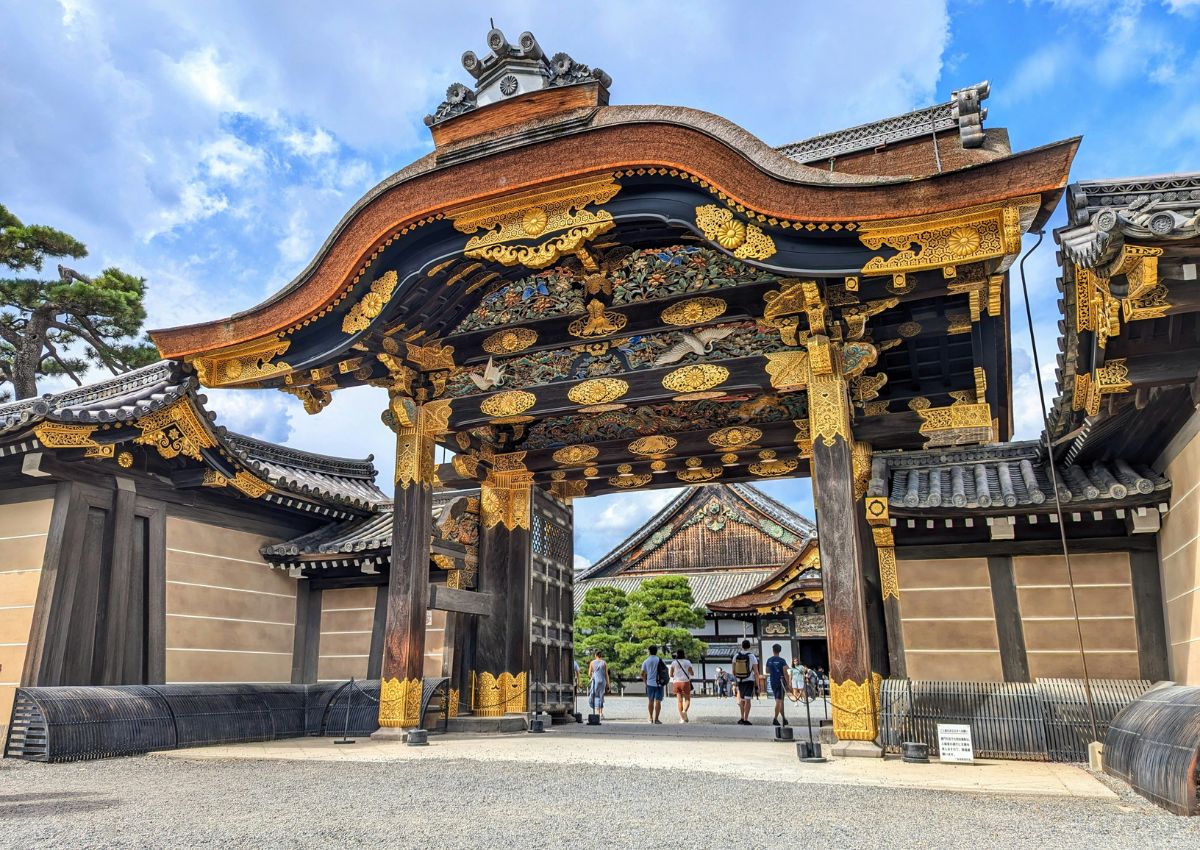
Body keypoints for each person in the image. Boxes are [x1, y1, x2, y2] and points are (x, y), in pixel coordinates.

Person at [731, 639, 762, 726]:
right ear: (749, 646)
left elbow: (733, 671)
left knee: (742, 700)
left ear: (742, 646)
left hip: (740, 680)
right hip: (749, 680)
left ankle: (741, 717)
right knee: (748, 700)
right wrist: (757, 685)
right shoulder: (752, 656)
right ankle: (746, 719)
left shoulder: (736, 656)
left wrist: (737, 678)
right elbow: (756, 672)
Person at [640, 645, 667, 724]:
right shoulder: (660, 660)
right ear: (656, 651)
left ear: (649, 651)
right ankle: (657, 719)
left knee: (650, 701)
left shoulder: (646, 661)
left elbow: (642, 674)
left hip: (650, 684)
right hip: (659, 683)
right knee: (658, 701)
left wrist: (645, 682)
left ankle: (650, 718)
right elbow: (665, 671)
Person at [764, 644, 789, 727]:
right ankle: (775, 718)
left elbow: (767, 671)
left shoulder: (769, 660)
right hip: (780, 681)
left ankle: (784, 718)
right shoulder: (782, 661)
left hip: (772, 681)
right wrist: (788, 683)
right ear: (780, 650)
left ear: (773, 650)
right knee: (779, 700)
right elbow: (785, 672)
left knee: (780, 701)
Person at [669, 648, 695, 723]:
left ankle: (682, 718)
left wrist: (676, 675)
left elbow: (671, 674)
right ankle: (684, 711)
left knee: (679, 701)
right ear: (684, 654)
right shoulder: (687, 662)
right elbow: (692, 673)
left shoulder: (674, 662)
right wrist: (689, 673)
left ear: (677, 654)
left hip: (676, 682)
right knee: (687, 699)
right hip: (685, 682)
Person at [587, 650, 608, 718]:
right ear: (600, 655)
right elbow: (606, 674)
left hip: (596, 681)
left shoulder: (592, 662)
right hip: (603, 681)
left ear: (595, 655)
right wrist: (608, 683)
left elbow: (589, 674)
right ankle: (601, 713)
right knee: (601, 696)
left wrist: (593, 676)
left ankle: (598, 713)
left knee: (596, 696)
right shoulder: (604, 663)